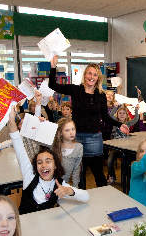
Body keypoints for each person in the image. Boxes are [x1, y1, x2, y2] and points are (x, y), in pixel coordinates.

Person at [49, 55, 126, 188]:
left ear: (98, 78)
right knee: (80, 173)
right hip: (76, 137)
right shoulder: (75, 90)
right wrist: (53, 67)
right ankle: (82, 198)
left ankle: (103, 202)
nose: (91, 77)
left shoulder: (101, 95)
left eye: (95, 75)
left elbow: (106, 117)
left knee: (98, 173)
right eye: (89, 73)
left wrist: (120, 124)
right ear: (85, 75)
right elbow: (52, 85)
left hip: (94, 138)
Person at [7, 109, 89, 214]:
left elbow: (86, 196)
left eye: (48, 161)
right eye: (39, 162)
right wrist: (11, 119)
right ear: (35, 166)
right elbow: (17, 141)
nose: (44, 165)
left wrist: (70, 190)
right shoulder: (29, 176)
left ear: (55, 165)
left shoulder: (59, 183)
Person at [107, 104, 140, 184]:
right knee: (109, 161)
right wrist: (115, 107)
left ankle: (127, 178)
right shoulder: (115, 122)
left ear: (126, 115)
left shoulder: (128, 123)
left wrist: (136, 109)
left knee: (126, 163)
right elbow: (110, 115)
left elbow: (136, 119)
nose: (122, 115)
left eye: (123, 113)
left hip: (125, 149)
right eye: (120, 113)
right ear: (117, 115)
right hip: (115, 149)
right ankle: (112, 176)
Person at [51, 118, 83, 187]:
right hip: (49, 183)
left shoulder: (79, 147)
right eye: (67, 130)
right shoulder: (53, 146)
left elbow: (76, 170)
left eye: (73, 129)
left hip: (63, 185)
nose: (71, 132)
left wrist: (75, 188)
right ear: (60, 133)